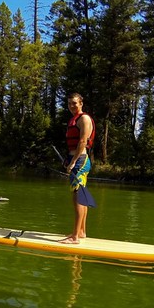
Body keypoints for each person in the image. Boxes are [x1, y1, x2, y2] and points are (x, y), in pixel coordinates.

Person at [60, 93, 96, 244]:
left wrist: (73, 162)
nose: (72, 106)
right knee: (81, 196)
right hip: (75, 159)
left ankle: (74, 237)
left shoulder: (84, 119)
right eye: (69, 104)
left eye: (74, 103)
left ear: (81, 103)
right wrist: (68, 160)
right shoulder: (73, 120)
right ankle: (81, 232)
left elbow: (82, 141)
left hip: (80, 160)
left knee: (78, 198)